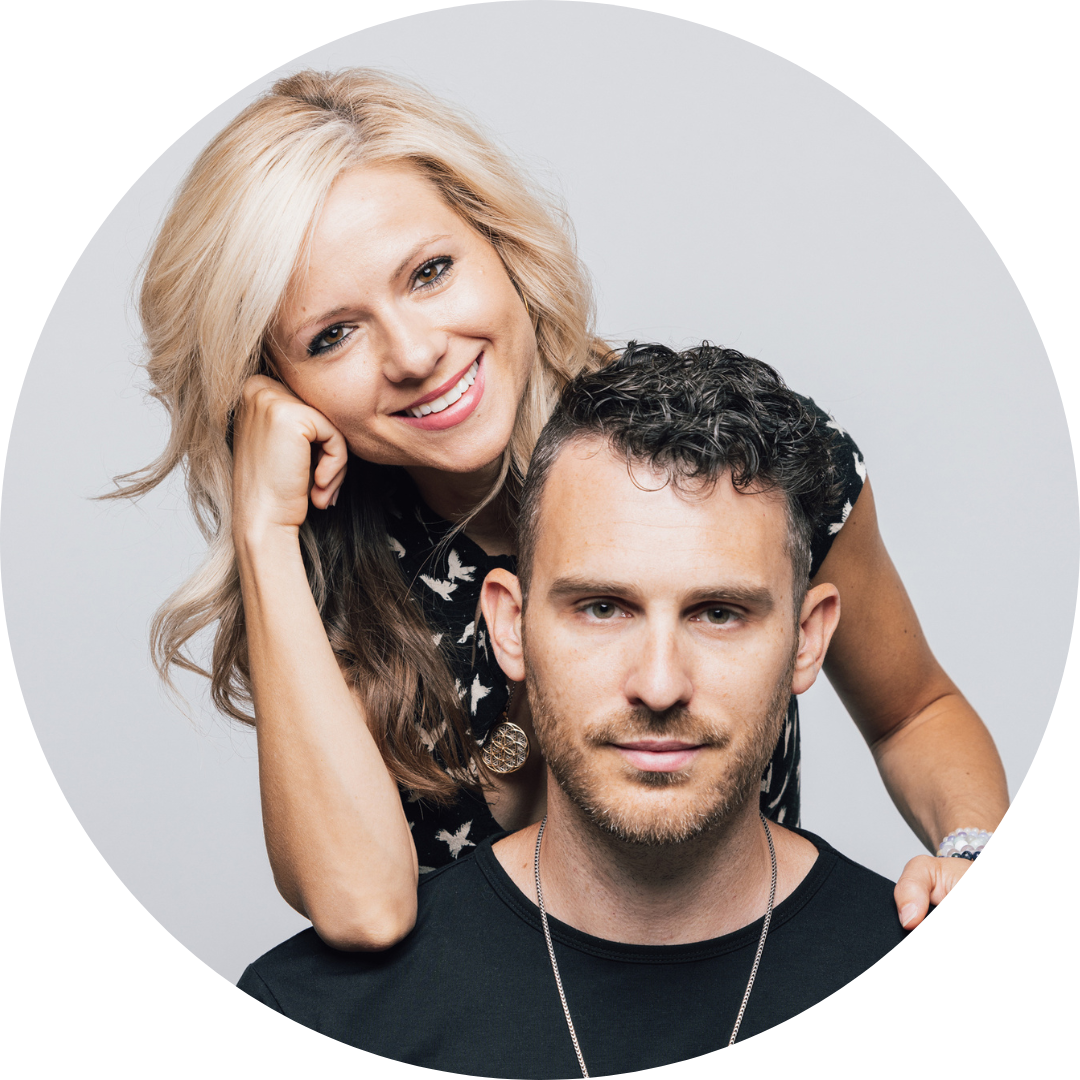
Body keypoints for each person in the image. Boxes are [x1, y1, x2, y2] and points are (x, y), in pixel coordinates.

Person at [115, 68, 1006, 949]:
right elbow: (362, 909)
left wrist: (969, 849)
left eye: (430, 272)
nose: (414, 354)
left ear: (500, 243)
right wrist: (264, 532)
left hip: (740, 986)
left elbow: (913, 711)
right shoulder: (321, 563)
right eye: (332, 335)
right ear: (275, 384)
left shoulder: (737, 459)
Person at [237, 345, 910, 1070]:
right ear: (510, 627)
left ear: (807, 640)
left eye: (719, 613)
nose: (659, 685)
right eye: (601, 608)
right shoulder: (318, 1014)